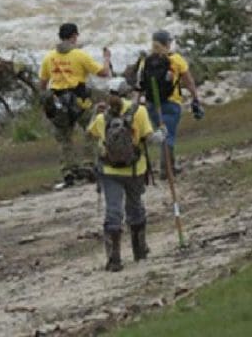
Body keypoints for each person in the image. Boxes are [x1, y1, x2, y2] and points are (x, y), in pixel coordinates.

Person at [87, 78, 156, 271]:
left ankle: (114, 259)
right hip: (135, 169)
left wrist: (95, 112)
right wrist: (163, 135)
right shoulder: (139, 112)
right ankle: (139, 251)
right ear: (127, 93)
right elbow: (149, 138)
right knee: (135, 207)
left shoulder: (103, 118)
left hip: (109, 171)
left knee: (113, 210)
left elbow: (91, 133)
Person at [39, 22, 112, 187]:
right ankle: (88, 164)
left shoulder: (49, 57)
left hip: (59, 104)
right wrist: (107, 59)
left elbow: (43, 83)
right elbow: (103, 73)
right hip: (80, 102)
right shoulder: (80, 55)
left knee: (65, 139)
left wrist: (46, 103)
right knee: (91, 130)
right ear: (73, 36)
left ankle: (68, 171)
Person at [136, 30, 203, 179]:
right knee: (168, 135)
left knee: (162, 133)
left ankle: (169, 166)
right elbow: (189, 81)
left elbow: (140, 84)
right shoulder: (176, 59)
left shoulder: (145, 61)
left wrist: (137, 103)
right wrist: (195, 98)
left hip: (152, 105)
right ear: (167, 43)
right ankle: (166, 169)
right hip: (171, 103)